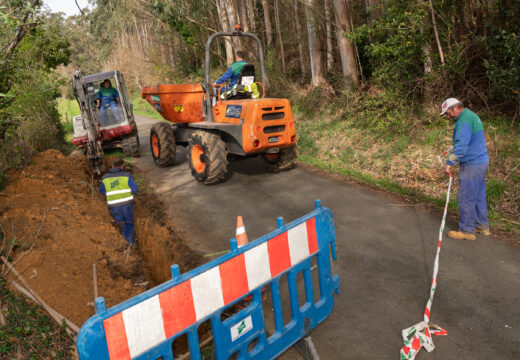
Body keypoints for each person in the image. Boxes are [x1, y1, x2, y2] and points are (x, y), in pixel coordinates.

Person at [440, 98, 490, 240]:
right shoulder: (471, 115)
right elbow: (466, 141)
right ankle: (482, 226)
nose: (448, 116)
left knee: (466, 197)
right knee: (478, 195)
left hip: (472, 164)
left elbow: (461, 145)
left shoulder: (463, 120)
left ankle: (467, 231)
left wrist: (450, 162)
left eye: (448, 113)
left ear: (455, 107)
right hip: (481, 161)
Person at [99, 158, 138, 245]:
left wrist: (111, 194)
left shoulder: (104, 178)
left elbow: (101, 191)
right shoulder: (126, 175)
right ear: (122, 166)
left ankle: (124, 244)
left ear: (112, 166)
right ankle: (130, 244)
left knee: (121, 225)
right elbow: (135, 190)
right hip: (127, 205)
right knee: (129, 224)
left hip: (114, 207)